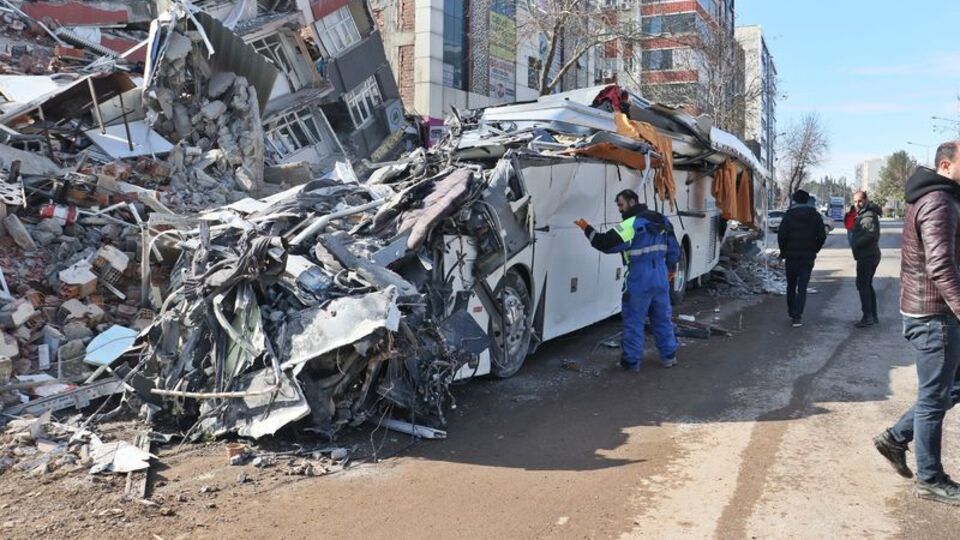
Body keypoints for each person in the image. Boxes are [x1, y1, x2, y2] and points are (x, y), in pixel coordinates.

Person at [873, 141, 960, 505]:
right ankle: (930, 478)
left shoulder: (939, 196)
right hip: (935, 315)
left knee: (947, 390)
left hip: (932, 312)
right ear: (945, 164)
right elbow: (940, 264)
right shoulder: (939, 201)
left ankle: (896, 437)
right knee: (933, 398)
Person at [575, 190, 680, 371]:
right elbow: (674, 249)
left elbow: (604, 243)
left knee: (634, 320)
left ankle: (632, 362)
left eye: (621, 205)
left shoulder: (630, 225)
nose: (620, 210)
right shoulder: (661, 220)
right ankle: (669, 356)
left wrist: (586, 228)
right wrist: (670, 270)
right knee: (662, 318)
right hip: (660, 276)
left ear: (632, 202)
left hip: (640, 279)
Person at [777, 189, 827, 328]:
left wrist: (783, 252)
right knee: (803, 286)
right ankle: (797, 316)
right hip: (807, 257)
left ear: (795, 200)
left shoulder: (789, 215)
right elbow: (822, 236)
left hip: (791, 257)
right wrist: (814, 249)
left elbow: (781, 235)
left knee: (791, 285)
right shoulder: (816, 216)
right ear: (807, 200)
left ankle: (791, 311)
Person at [850, 191, 882, 327]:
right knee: (866, 285)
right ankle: (872, 315)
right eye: (855, 201)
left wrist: (856, 243)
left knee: (863, 285)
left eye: (860, 201)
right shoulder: (864, 213)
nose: (857, 204)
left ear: (866, 200)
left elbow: (870, 235)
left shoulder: (868, 215)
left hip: (867, 256)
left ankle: (868, 316)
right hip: (867, 255)